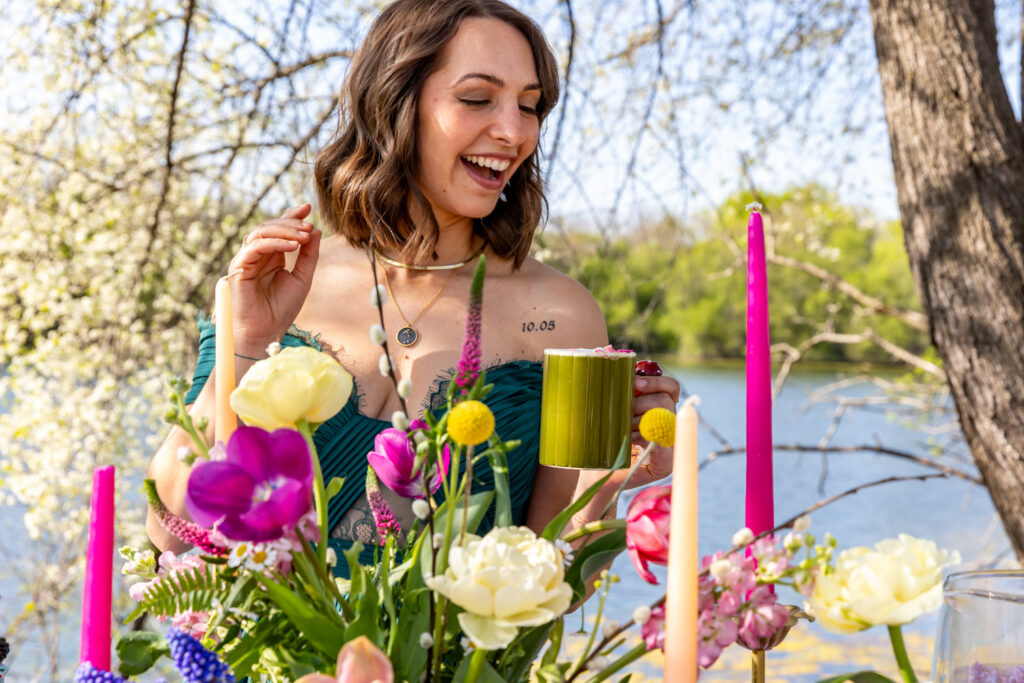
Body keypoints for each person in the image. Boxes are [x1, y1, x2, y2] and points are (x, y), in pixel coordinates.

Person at [146, 0, 679, 568]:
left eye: (530, 106)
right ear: (397, 103)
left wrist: (616, 477)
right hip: (264, 659)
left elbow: (552, 586)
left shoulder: (563, 314)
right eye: (477, 98)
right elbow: (172, 535)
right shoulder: (280, 278)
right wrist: (248, 343)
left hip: (462, 661)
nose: (513, 131)